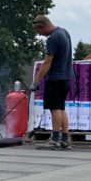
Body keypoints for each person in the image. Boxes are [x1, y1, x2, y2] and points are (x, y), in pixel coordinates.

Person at [30, 14, 72, 149]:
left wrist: (36, 81)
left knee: (55, 109)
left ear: (42, 26)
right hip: (66, 77)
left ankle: (54, 140)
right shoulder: (64, 32)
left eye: (39, 31)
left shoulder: (52, 38)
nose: (40, 34)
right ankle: (64, 139)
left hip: (55, 78)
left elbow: (47, 62)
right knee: (61, 108)